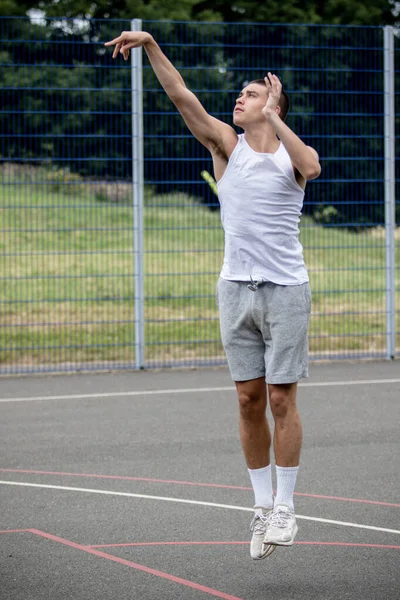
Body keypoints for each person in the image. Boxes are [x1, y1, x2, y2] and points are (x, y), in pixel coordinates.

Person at [105, 30, 321, 560]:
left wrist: (273, 117)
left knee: (280, 399)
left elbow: (311, 168)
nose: (238, 100)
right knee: (248, 400)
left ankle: (288, 511)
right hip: (234, 289)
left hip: (285, 290)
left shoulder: (291, 154)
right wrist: (152, 43)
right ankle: (262, 507)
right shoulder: (227, 144)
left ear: (272, 104)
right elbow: (182, 95)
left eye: (249, 95)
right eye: (241, 97)